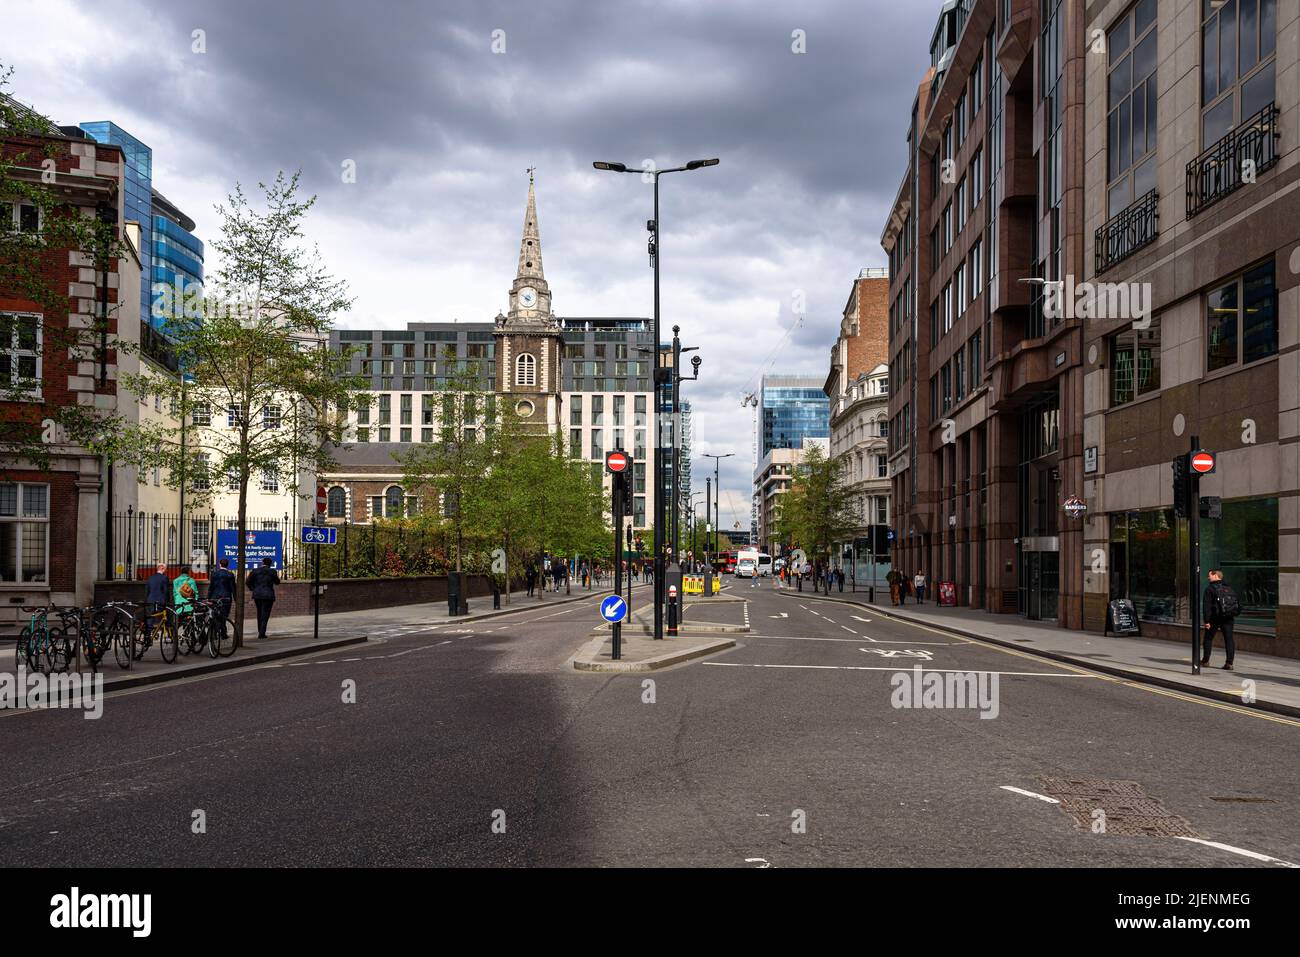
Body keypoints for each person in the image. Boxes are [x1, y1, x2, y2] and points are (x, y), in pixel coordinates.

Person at [1202, 569, 1240, 670]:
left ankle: (1205, 661)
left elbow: (1207, 607)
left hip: (1214, 618)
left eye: (1209, 575)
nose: (1208, 577)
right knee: (1229, 640)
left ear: (1215, 575)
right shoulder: (1228, 587)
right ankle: (1229, 663)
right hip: (1228, 617)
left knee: (1208, 639)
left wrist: (1206, 621)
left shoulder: (1210, 589)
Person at [246, 557, 280, 640]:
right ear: (270, 563)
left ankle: (260, 630)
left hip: (257, 594)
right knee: (266, 614)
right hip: (268, 595)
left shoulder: (255, 571)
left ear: (262, 562)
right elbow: (277, 582)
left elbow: (247, 582)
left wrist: (253, 589)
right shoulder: (272, 571)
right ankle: (262, 632)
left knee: (259, 612)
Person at [143, 562, 170, 637]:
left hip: (150, 601)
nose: (166, 570)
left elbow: (146, 591)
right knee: (166, 616)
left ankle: (147, 635)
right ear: (162, 568)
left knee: (150, 618)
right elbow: (165, 591)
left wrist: (146, 601)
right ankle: (169, 632)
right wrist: (168, 600)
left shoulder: (150, 578)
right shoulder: (164, 578)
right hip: (160, 601)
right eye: (165, 569)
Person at [208, 558, 236, 626]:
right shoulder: (230, 574)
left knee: (216, 614)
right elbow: (233, 588)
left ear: (220, 564)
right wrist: (235, 598)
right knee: (225, 615)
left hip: (215, 597)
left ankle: (218, 631)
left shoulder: (214, 574)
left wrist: (208, 598)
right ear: (227, 565)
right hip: (226, 597)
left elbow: (211, 587)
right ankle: (223, 632)